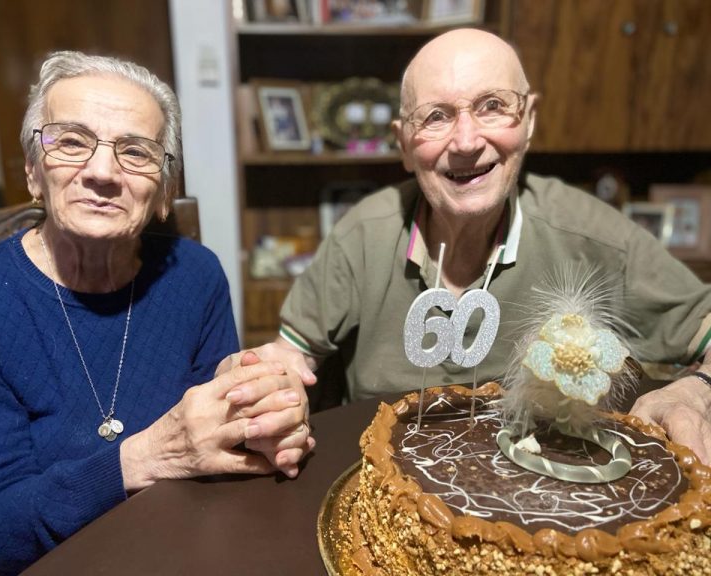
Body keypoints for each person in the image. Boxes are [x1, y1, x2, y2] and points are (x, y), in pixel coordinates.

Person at [0, 51, 313, 576]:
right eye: (71, 141)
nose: (101, 172)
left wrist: (266, 413)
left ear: (163, 192)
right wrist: (145, 457)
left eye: (136, 153)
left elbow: (221, 459)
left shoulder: (195, 276)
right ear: (32, 171)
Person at [270, 29, 711, 463]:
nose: (466, 142)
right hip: (378, 485)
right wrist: (269, 387)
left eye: (493, 107)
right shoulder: (362, 235)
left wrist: (696, 391)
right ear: (404, 144)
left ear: (530, 121)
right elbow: (291, 359)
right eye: (436, 116)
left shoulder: (593, 236)